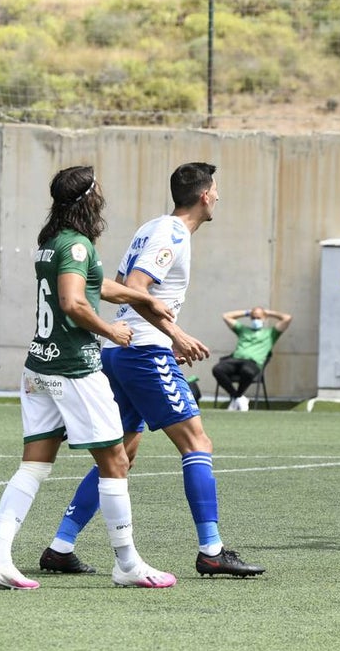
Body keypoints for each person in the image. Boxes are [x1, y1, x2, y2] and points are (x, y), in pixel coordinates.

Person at [40, 162, 266, 579]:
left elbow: (117, 283)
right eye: (216, 190)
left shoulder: (152, 227)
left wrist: (162, 337)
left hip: (126, 349)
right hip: (142, 352)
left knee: (121, 455)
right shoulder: (172, 233)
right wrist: (173, 334)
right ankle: (211, 550)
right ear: (204, 196)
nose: (218, 197)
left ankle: (60, 547)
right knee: (197, 443)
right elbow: (137, 287)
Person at [0, 166, 177, 589]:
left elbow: (91, 287)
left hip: (39, 366)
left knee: (34, 466)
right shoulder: (77, 244)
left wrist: (140, 296)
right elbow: (73, 302)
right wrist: (111, 330)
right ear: (88, 198)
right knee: (116, 461)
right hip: (74, 369)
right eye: (97, 189)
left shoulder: (52, 242)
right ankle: (127, 564)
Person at [212, 306, 292, 410]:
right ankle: (238, 397)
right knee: (217, 369)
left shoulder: (271, 333)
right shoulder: (243, 330)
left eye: (258, 318)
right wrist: (248, 312)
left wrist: (267, 312)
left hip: (252, 363)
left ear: (264, 318)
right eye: (253, 317)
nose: (255, 320)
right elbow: (226, 316)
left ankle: (236, 398)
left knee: (247, 371)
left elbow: (287, 318)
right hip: (235, 360)